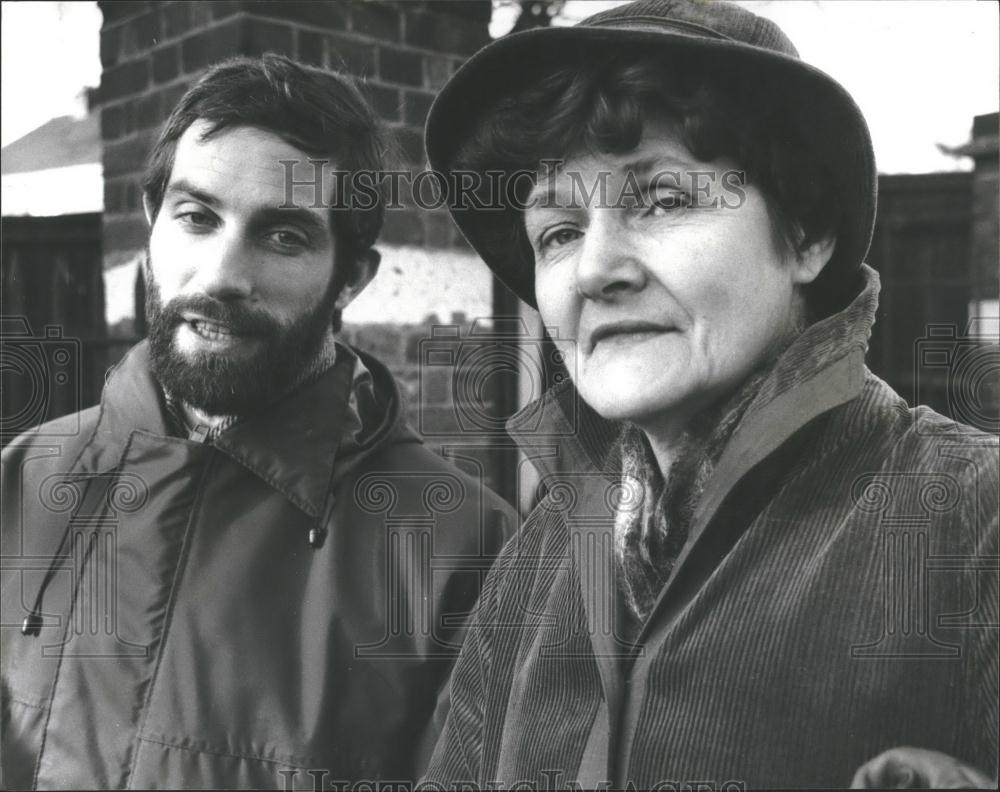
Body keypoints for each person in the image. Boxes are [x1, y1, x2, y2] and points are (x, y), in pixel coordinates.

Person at [422, 1, 998, 788]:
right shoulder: (538, 555)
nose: (595, 270)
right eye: (558, 231)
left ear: (804, 235)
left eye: (661, 200)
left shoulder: (976, 521)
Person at [1, 54, 513, 790]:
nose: (219, 275)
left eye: (283, 236)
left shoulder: (463, 553)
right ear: (151, 226)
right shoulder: (22, 481)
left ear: (351, 279)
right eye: (196, 217)